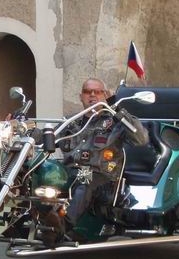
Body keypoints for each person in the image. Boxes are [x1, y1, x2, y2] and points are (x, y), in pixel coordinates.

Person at [54, 78, 148, 241]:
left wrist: (117, 110)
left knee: (85, 181)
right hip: (70, 172)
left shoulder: (115, 121)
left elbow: (141, 139)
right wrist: (20, 128)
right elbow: (47, 137)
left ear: (105, 95)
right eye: (87, 92)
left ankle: (60, 227)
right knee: (41, 173)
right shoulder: (70, 122)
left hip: (102, 177)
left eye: (97, 92)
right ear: (81, 96)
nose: (92, 95)